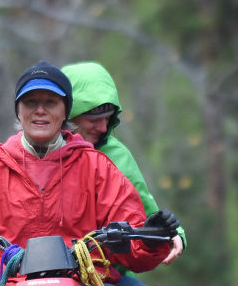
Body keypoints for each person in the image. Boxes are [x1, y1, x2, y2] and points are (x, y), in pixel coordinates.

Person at [0, 60, 178, 286]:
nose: (40, 111)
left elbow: (137, 253)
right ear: (19, 111)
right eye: (31, 102)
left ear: (65, 110)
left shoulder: (98, 168)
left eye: (50, 102)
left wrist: (152, 237)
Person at [63, 61, 185, 269]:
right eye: (94, 121)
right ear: (68, 115)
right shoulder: (40, 154)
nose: (103, 128)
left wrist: (174, 234)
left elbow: (145, 213)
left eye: (107, 119)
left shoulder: (116, 155)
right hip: (48, 279)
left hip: (110, 276)